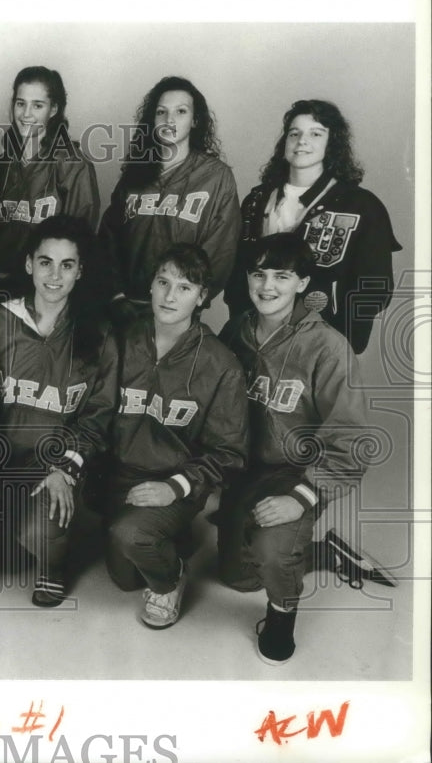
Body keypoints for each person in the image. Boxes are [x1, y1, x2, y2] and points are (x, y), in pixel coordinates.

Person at [217, 233, 369, 664]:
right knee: (237, 578)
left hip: (295, 473)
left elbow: (351, 440)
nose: (268, 286)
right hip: (246, 468)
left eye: (282, 276)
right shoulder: (238, 330)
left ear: (302, 283)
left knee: (273, 555)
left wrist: (300, 497)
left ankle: (282, 615)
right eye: (259, 273)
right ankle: (323, 551)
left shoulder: (327, 347)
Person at [101, 244, 247, 628]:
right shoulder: (121, 339)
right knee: (124, 577)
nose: (169, 295)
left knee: (131, 536)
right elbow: (96, 412)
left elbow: (229, 452)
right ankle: (170, 537)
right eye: (162, 282)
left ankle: (171, 577)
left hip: (174, 479)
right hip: (119, 474)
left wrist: (175, 488)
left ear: (202, 297)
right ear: (149, 286)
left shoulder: (220, 363)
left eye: (184, 287)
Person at [0, 215, 117, 606]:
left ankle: (52, 564)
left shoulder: (100, 333)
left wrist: (67, 468)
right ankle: (10, 515)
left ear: (80, 272)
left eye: (67, 264)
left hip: (54, 465)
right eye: (45, 262)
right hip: (1, 462)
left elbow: (100, 413)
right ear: (29, 265)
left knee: (39, 532)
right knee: (4, 560)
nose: (54, 275)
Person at [224, 99, 401, 355]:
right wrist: (243, 325)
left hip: (321, 345)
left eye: (315, 133)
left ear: (333, 144)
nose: (302, 141)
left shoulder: (362, 206)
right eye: (294, 133)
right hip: (256, 341)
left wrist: (339, 341)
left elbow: (375, 287)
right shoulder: (256, 201)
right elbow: (238, 271)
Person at [98, 76, 240, 319]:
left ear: (195, 120)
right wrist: (116, 296)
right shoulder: (135, 173)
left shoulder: (216, 177)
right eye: (161, 112)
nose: (169, 120)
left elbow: (221, 252)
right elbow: (108, 241)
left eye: (181, 111)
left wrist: (184, 302)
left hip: (179, 312)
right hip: (126, 310)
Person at [0, 66, 100, 292]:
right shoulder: (1, 165)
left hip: (45, 288)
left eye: (38, 105)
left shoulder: (73, 165)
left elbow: (81, 242)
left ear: (54, 109)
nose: (26, 114)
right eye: (20, 103)